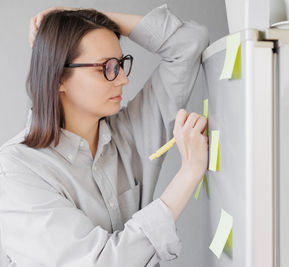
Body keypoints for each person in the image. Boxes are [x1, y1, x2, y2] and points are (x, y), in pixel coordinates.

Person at [0, 4, 209, 267]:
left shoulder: (130, 130)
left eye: (121, 64)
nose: (122, 79)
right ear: (59, 79)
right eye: (107, 67)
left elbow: (190, 42)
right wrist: (189, 173)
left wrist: (87, 18)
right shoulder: (16, 169)